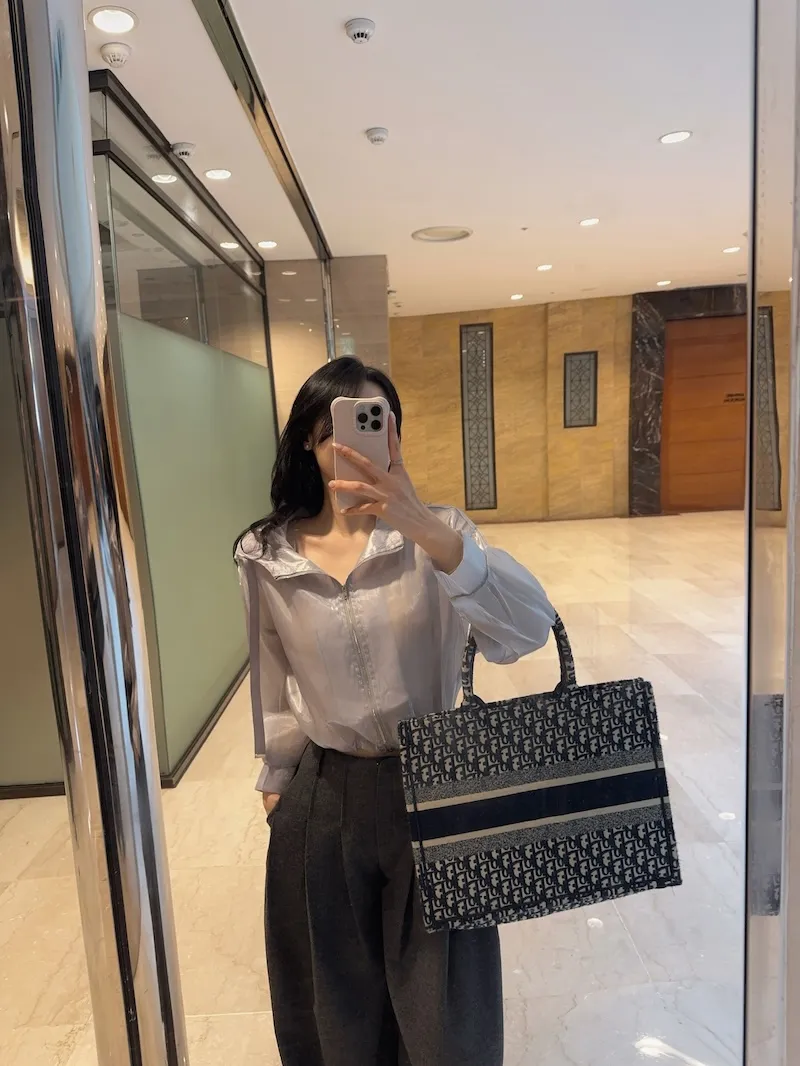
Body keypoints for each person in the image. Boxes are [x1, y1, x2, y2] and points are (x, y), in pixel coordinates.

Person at [234, 358, 554, 1066]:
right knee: (336, 1002)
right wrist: (278, 776)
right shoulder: (266, 553)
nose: (354, 441)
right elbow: (272, 671)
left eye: (374, 421)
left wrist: (427, 532)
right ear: (309, 442)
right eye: (334, 427)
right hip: (326, 791)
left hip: (437, 782)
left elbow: (527, 630)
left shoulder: (438, 534)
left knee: (447, 1010)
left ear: (395, 435)